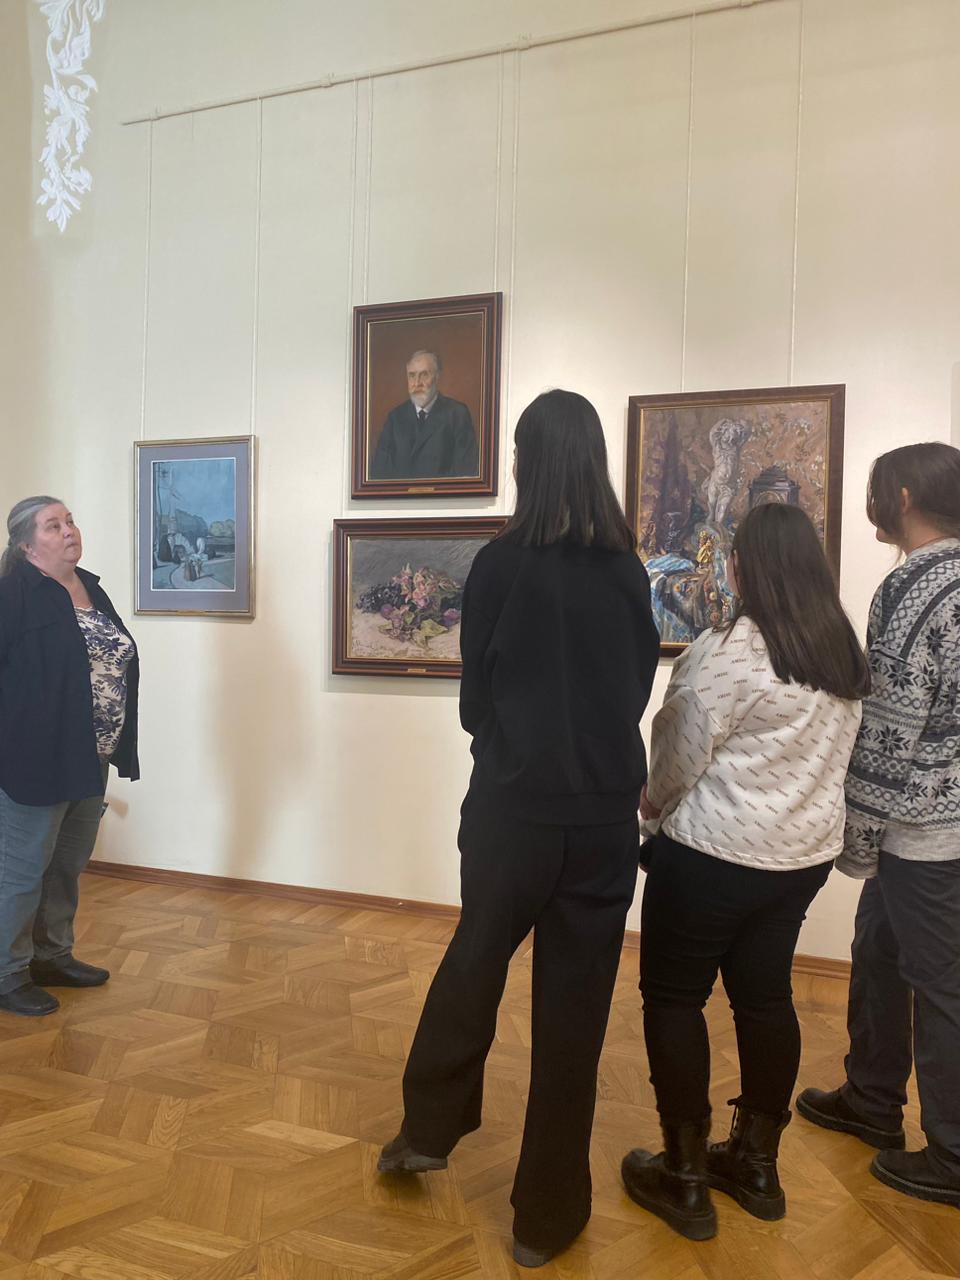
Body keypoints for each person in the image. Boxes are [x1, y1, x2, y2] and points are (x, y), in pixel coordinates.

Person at [377, 390, 659, 1267]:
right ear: (595, 461)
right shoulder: (627, 571)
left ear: (525, 462)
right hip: (604, 821)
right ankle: (547, 1217)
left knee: (474, 963)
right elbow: (636, 689)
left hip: (513, 811)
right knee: (576, 1018)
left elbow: (475, 700)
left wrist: (516, 739)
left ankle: (428, 1128)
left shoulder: (500, 565)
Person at [622, 503, 869, 1240]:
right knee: (765, 1000)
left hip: (711, 858)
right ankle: (756, 1166)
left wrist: (650, 806)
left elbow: (679, 748)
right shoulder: (838, 651)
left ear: (743, 567)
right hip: (799, 861)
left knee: (674, 999)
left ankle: (685, 1176)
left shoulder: (730, 650)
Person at [798, 442, 960, 1209]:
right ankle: (871, 1098)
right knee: (877, 951)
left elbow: (890, 730)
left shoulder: (912, 586)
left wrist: (857, 841)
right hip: (939, 825)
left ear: (900, 497)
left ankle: (953, 1153)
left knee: (940, 984)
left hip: (923, 832)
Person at [0, 496, 139, 1017]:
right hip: (33, 759)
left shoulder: (91, 589)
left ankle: (51, 957)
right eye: (53, 525)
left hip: (90, 755)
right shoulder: (12, 594)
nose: (68, 531)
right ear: (26, 545)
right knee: (22, 871)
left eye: (70, 521)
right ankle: (6, 974)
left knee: (66, 866)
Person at [369, 349, 479, 480]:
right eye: (412, 375)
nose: (417, 383)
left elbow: (466, 472)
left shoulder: (457, 414)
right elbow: (379, 473)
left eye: (424, 375)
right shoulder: (395, 418)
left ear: (437, 377)